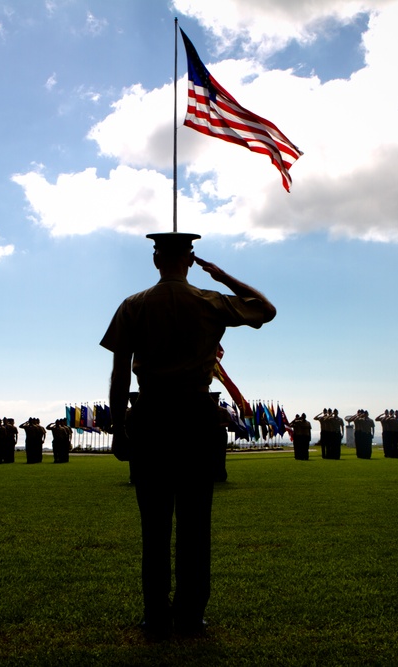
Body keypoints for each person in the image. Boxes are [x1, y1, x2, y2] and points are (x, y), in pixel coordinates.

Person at [100, 231, 276, 640]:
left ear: (156, 260)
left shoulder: (134, 304)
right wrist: (222, 276)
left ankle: (155, 616)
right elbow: (265, 310)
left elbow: (120, 371)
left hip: (151, 414)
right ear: (191, 260)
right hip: (197, 416)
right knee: (196, 524)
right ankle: (192, 616)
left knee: (154, 524)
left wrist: (118, 427)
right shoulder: (210, 301)